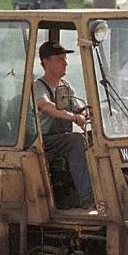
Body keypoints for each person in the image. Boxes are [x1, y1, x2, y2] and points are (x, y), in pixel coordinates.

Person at [34, 41, 94, 209]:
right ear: (46, 62)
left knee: (94, 139)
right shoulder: (39, 86)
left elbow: (79, 108)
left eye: (65, 58)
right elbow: (45, 106)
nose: (65, 63)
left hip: (60, 139)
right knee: (75, 141)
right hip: (43, 141)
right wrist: (73, 117)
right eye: (60, 59)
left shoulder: (65, 87)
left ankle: (94, 188)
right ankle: (87, 196)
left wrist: (85, 114)